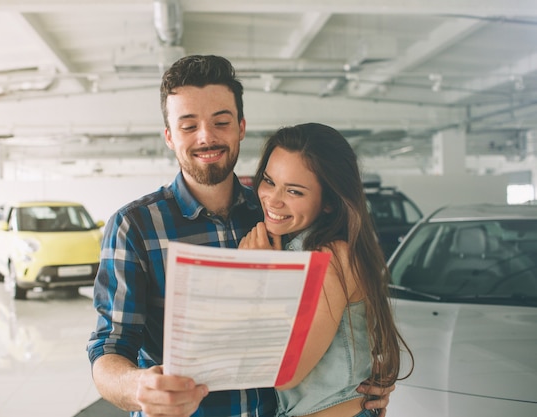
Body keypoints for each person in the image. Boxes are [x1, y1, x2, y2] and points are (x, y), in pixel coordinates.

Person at [86, 55, 394, 417]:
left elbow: (325, 326)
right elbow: (109, 347)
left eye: (221, 122)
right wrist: (137, 387)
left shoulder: (273, 218)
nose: (206, 137)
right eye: (189, 126)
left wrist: (357, 379)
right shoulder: (135, 226)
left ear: (241, 128)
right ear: (169, 137)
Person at [239, 123, 414, 417]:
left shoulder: (331, 257)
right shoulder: (296, 247)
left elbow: (285, 373)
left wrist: (262, 277)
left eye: (294, 191)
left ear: (330, 203)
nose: (273, 199)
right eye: (269, 181)